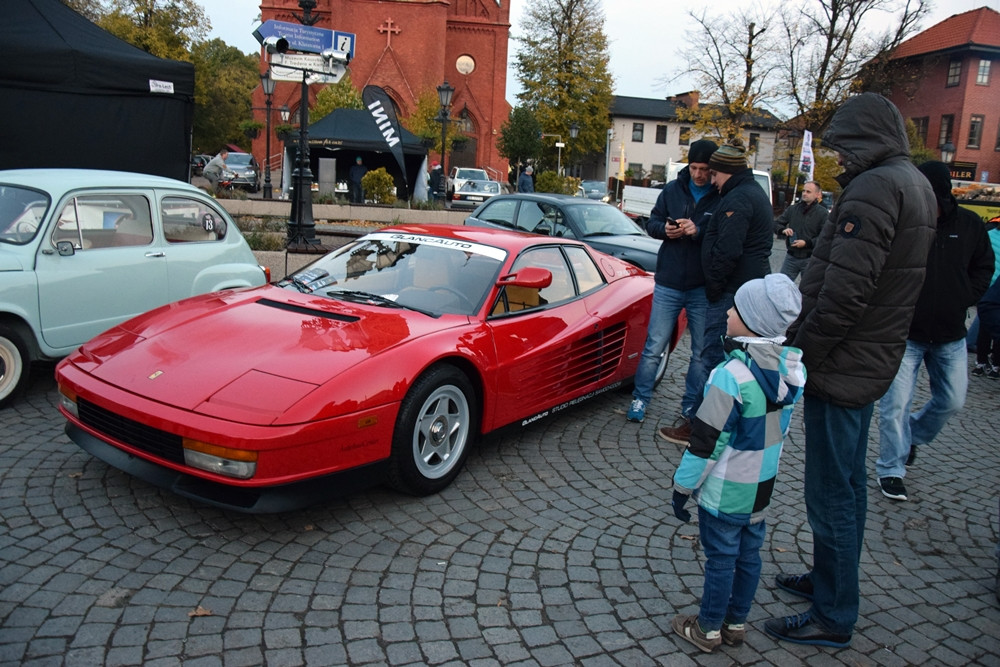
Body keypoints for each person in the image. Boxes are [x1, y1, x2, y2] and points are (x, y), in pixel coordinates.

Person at [765, 93, 936, 648]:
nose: (835, 158)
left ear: (864, 138)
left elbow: (844, 292)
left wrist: (800, 352)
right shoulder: (911, 182)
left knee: (830, 493)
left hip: (844, 362)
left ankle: (834, 613)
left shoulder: (874, 188)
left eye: (841, 145)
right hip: (871, 358)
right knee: (850, 486)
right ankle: (829, 582)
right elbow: (841, 271)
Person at [670, 273, 806, 653]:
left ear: (752, 322)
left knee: (720, 559)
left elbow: (706, 444)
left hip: (726, 488)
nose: (728, 311)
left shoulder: (731, 376)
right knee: (749, 556)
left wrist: (683, 487)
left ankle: (708, 628)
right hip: (761, 486)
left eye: (736, 307)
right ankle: (735, 623)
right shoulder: (792, 371)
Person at [875, 161, 993, 501]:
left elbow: (984, 266)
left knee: (952, 400)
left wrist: (965, 297)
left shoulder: (969, 225)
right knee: (894, 404)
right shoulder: (905, 223)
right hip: (906, 332)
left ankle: (910, 436)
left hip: (951, 334)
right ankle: (891, 468)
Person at [663, 140, 772, 445]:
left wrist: (713, 286)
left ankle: (698, 428)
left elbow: (727, 250)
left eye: (714, 175)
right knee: (724, 358)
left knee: (712, 357)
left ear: (725, 171)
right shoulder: (749, 193)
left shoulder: (739, 198)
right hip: (739, 287)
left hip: (730, 291)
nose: (711, 180)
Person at [626, 139, 720, 425]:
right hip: (668, 281)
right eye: (694, 167)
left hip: (701, 285)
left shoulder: (719, 194)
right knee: (654, 345)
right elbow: (651, 223)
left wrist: (699, 231)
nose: (699, 174)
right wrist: (665, 230)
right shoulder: (672, 189)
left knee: (700, 353)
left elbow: (721, 234)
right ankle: (640, 399)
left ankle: (690, 406)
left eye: (704, 169)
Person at [774, 180, 828, 281]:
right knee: (780, 286)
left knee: (807, 291)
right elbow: (776, 224)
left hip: (810, 259)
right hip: (791, 257)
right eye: (803, 191)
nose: (804, 193)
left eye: (808, 191)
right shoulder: (793, 209)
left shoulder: (823, 213)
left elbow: (825, 237)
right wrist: (783, 230)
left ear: (817, 194)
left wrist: (807, 243)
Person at [971, 217, 1000, 378]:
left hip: (986, 286)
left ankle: (980, 363)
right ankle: (996, 365)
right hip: (996, 287)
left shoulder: (988, 235)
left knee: (984, 327)